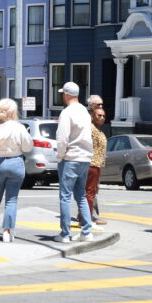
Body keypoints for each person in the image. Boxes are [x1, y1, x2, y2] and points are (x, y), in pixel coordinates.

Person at [0, 98, 33, 243]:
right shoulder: (18, 127)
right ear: (12, 111)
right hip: (15, 162)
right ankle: (7, 232)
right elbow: (27, 148)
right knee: (11, 200)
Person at [53, 81, 93, 244]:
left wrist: (60, 156)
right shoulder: (84, 111)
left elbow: (62, 138)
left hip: (70, 157)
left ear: (67, 95)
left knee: (65, 196)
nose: (62, 95)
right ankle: (87, 231)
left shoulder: (67, 112)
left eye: (63, 93)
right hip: (85, 156)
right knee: (81, 196)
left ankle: (65, 234)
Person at [87, 97, 108, 227]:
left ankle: (86, 215)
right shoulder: (90, 129)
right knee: (90, 192)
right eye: (99, 115)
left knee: (93, 191)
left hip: (97, 164)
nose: (101, 118)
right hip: (91, 164)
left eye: (103, 116)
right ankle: (87, 216)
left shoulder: (98, 129)